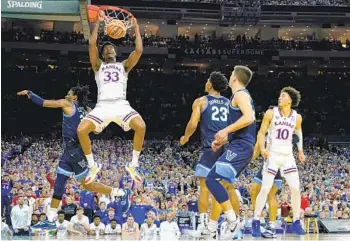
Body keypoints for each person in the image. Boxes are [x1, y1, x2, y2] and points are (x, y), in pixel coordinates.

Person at [17, 87, 125, 222]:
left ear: (74, 97)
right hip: (68, 152)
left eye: (68, 94)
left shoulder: (67, 104)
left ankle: (113, 191)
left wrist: (30, 93)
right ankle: (51, 214)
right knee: (59, 182)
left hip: (77, 152)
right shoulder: (86, 111)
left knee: (87, 185)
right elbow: (97, 131)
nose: (65, 95)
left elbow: (44, 102)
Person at [77, 11, 145, 184]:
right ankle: (92, 165)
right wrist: (98, 23)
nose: (109, 49)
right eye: (106, 49)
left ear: (115, 52)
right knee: (81, 130)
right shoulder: (98, 65)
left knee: (141, 127)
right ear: (103, 54)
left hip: (121, 105)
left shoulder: (124, 66)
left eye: (111, 48)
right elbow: (92, 44)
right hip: (103, 106)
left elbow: (138, 50)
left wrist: (136, 28)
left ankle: (133, 165)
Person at [205, 65, 256, 239]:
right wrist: (223, 141)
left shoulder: (240, 94)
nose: (230, 75)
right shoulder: (240, 96)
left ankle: (233, 221)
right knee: (222, 184)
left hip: (241, 146)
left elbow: (249, 118)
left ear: (235, 78)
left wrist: (225, 131)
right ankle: (213, 228)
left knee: (211, 179)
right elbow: (243, 127)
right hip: (239, 144)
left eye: (231, 73)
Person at [179, 71, 230, 233]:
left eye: (208, 80)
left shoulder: (201, 101)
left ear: (211, 84)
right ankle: (216, 225)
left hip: (210, 147)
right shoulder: (230, 103)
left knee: (205, 187)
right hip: (227, 149)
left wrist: (185, 137)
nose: (206, 82)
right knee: (221, 187)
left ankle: (203, 224)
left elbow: (193, 123)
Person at [252, 87, 306, 237]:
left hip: (288, 155)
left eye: (283, 96)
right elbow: (261, 132)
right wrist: (262, 148)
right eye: (280, 96)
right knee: (265, 188)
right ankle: (256, 220)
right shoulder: (271, 113)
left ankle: (296, 221)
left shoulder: (297, 117)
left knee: (296, 188)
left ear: (290, 100)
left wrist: (300, 150)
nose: (279, 98)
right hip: (273, 155)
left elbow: (299, 133)